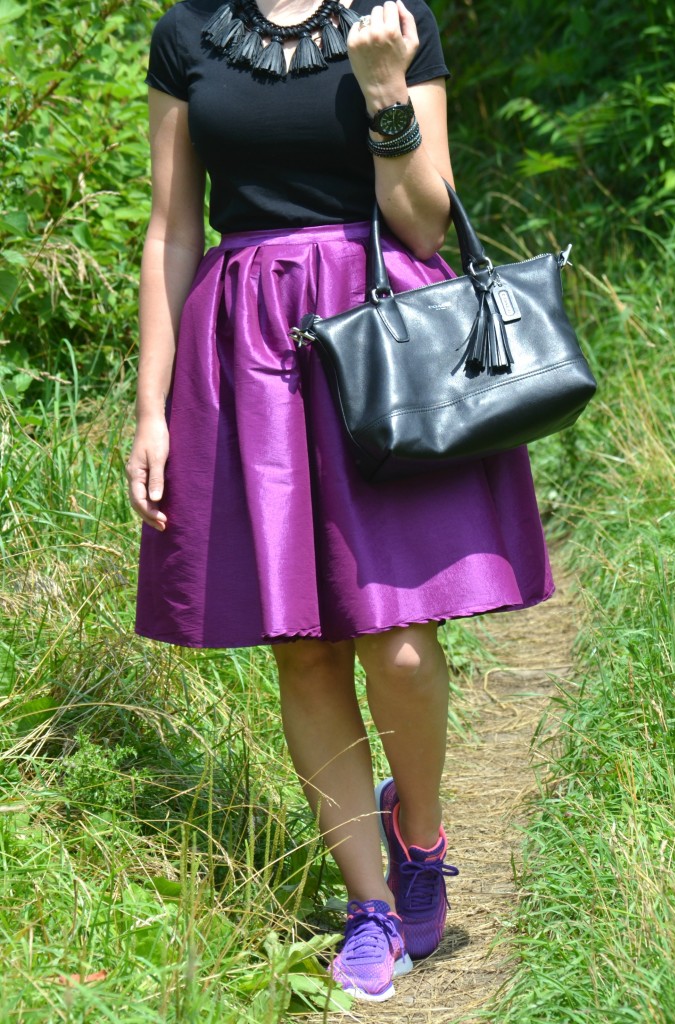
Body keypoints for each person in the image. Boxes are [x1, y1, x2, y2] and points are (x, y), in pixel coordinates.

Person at [127, 0, 554, 1003]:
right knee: (302, 641)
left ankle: (420, 836)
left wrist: (384, 92)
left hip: (378, 338)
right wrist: (153, 406)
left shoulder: (396, 18)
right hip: (246, 340)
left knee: (399, 640)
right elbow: (171, 228)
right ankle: (367, 905)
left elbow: (422, 216)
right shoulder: (190, 33)